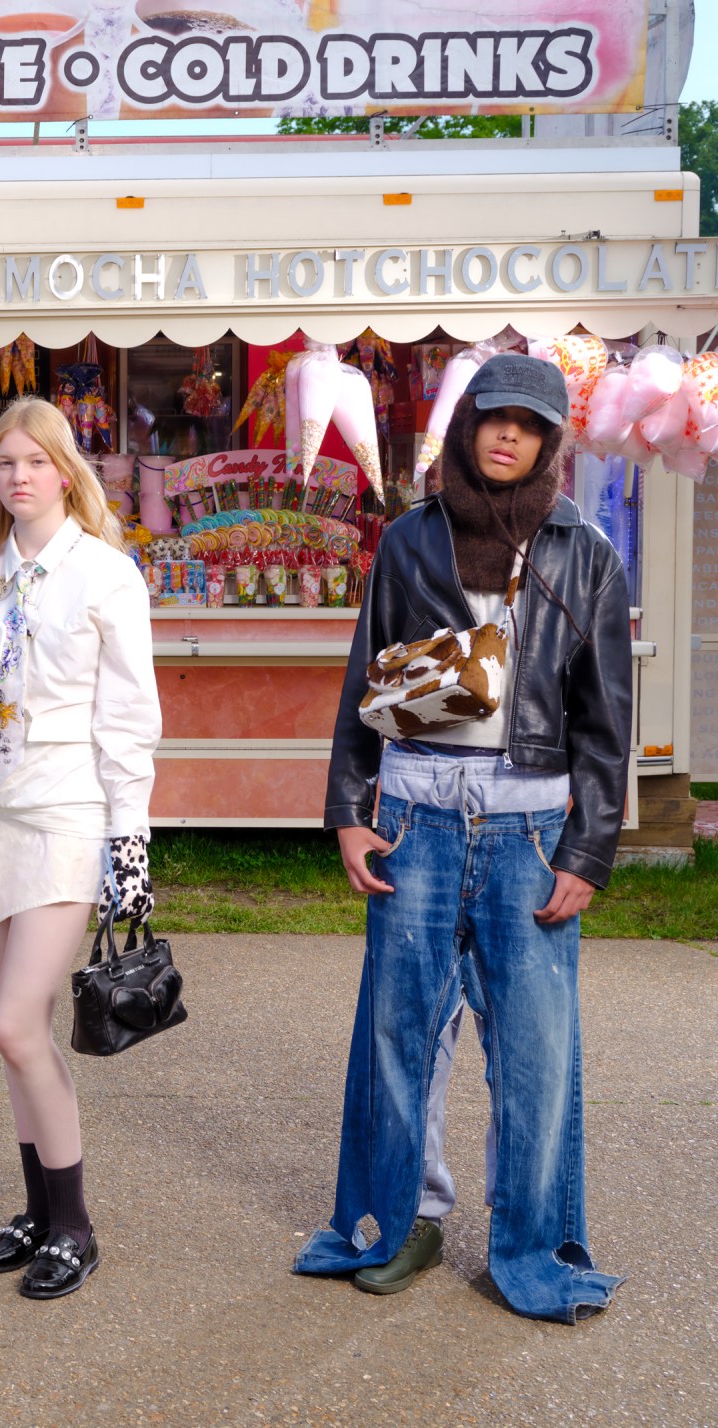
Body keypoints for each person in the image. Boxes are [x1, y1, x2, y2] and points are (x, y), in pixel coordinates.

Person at [296, 352, 633, 1323]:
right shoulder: (407, 542)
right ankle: (400, 1220)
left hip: (530, 824)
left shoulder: (584, 554)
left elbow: (606, 722)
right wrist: (350, 811)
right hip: (414, 814)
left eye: (526, 425)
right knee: (399, 1036)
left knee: (533, 1053)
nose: (505, 435)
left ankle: (528, 1244)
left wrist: (587, 851)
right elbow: (369, 684)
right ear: (467, 424)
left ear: (546, 443)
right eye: (492, 417)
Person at [0, 397, 161, 1301]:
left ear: (65, 470)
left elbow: (128, 720)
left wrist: (130, 845)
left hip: (66, 814)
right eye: (5, 464)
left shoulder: (105, 576)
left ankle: (77, 1226)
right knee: (23, 1039)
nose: (19, 478)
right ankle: (39, 1213)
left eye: (36, 462)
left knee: (13, 1023)